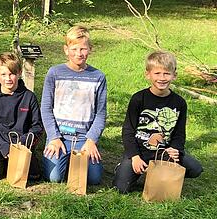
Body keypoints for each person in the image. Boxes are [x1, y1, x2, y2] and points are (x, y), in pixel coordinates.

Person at [113, 50, 203, 193]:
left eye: (166, 73)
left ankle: (158, 172)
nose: (162, 78)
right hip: (140, 151)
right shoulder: (138, 99)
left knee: (195, 169)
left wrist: (175, 149)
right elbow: (128, 131)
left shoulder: (179, 103)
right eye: (157, 73)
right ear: (148, 74)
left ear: (174, 75)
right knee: (120, 188)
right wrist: (134, 156)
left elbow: (179, 133)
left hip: (164, 152)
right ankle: (125, 167)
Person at [41, 25, 107, 185]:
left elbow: (100, 113)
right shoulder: (54, 73)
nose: (79, 53)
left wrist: (91, 140)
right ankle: (64, 159)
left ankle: (78, 158)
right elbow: (46, 108)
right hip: (60, 136)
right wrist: (54, 137)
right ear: (66, 49)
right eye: (74, 49)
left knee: (94, 179)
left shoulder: (98, 77)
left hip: (83, 138)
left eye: (83, 49)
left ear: (90, 49)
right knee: (54, 178)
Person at [0, 52, 43, 180]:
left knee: (34, 175)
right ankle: (2, 161)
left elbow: (37, 127)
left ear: (19, 73)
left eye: (12, 74)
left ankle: (11, 163)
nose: (8, 78)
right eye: (3, 74)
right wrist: (3, 146)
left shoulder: (29, 97)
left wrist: (23, 142)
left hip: (20, 143)